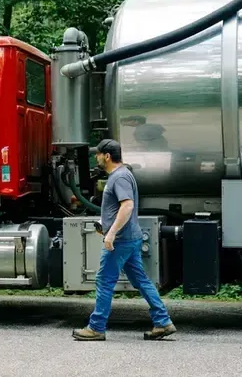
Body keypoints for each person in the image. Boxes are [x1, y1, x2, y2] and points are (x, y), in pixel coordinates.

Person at [72, 139, 176, 341]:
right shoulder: (122, 175)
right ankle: (163, 322)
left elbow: (127, 206)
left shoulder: (119, 177)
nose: (96, 158)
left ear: (107, 156)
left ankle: (96, 328)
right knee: (141, 280)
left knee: (104, 281)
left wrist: (111, 234)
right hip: (129, 238)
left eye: (98, 154)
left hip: (120, 241)